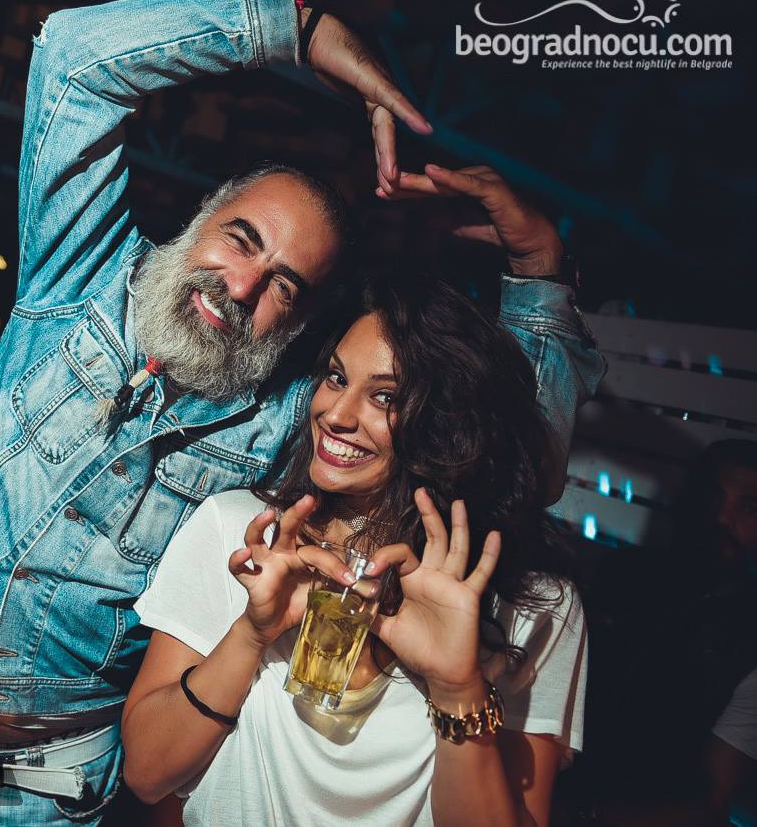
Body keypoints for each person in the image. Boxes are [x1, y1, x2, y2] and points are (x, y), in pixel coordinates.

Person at [0, 0, 604, 827]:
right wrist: (296, 29)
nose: (242, 286)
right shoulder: (78, 282)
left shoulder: (280, 415)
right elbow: (74, 59)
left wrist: (539, 276)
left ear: (295, 321)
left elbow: (491, 444)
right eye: (241, 240)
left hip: (38, 795)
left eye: (283, 286)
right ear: (201, 218)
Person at [123, 272, 587, 825]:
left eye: (385, 397)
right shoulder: (243, 533)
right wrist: (251, 634)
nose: (337, 414)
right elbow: (147, 774)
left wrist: (455, 686)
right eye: (336, 378)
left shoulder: (535, 607)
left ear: (453, 423)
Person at [582, 439, 757, 825]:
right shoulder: (624, 573)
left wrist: (588, 817)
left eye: (748, 507)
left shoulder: (749, 637)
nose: (722, 518)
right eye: (713, 497)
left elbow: (711, 800)